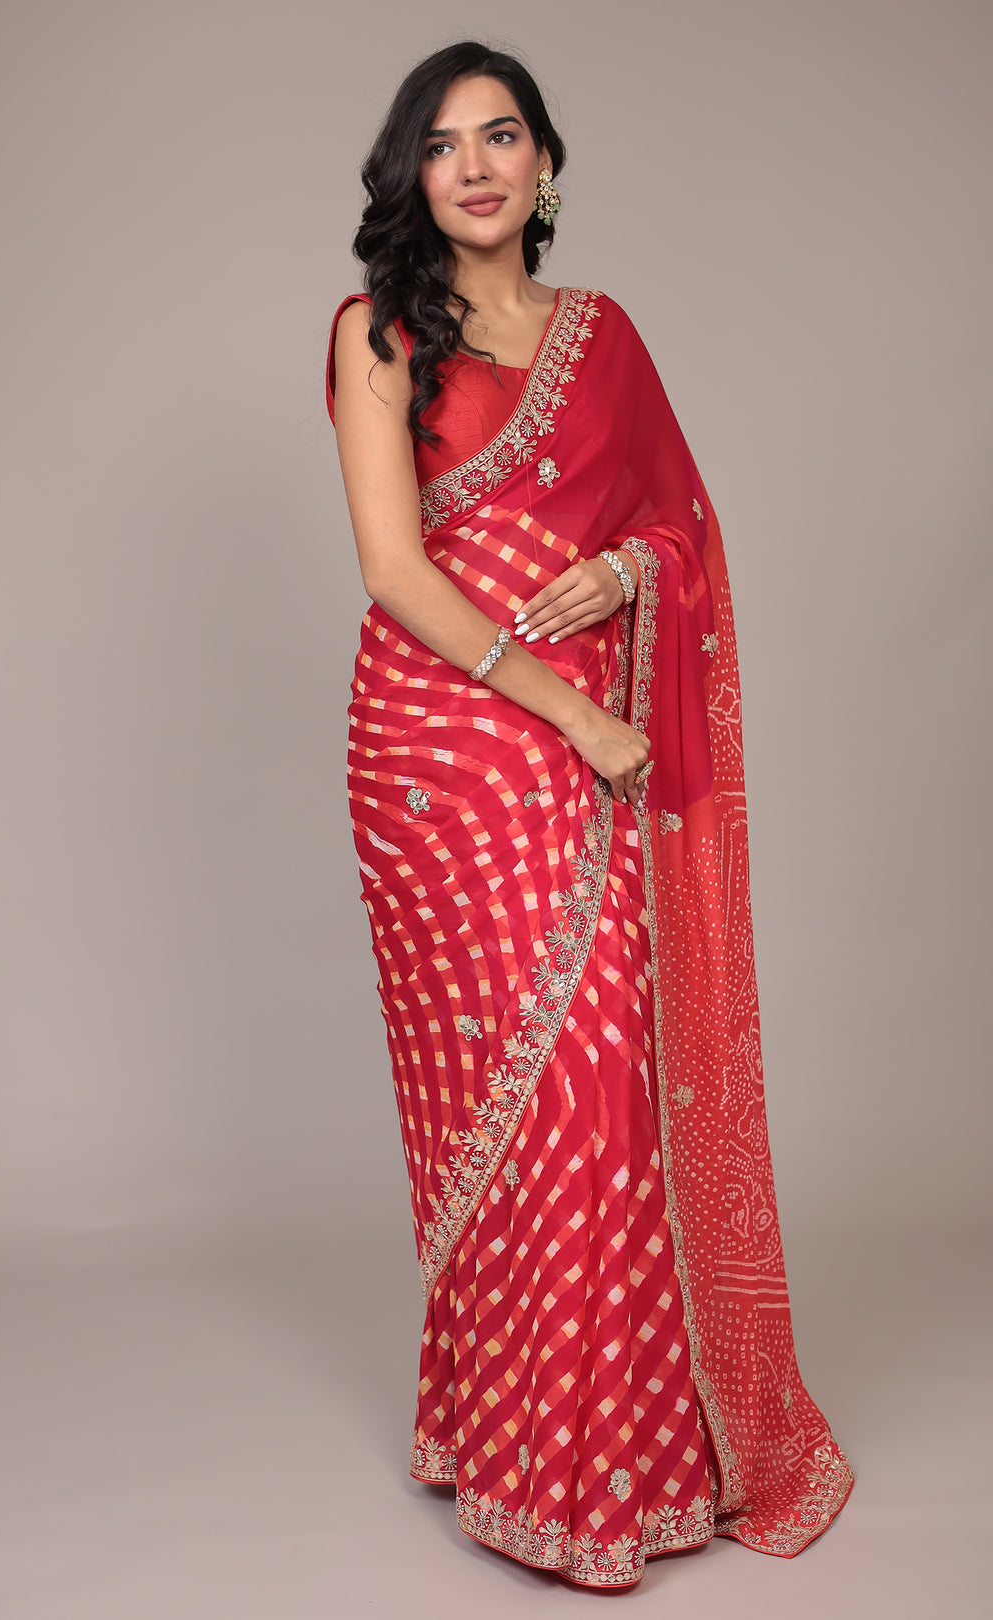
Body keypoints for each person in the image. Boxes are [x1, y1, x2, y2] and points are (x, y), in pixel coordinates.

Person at [325, 40, 853, 1590]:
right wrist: (573, 713)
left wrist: (630, 572)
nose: (475, 166)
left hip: (586, 737)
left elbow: (680, 525)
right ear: (412, 175)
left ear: (546, 163)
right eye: (442, 145)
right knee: (509, 1110)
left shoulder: (603, 335)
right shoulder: (377, 331)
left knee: (607, 1087)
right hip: (442, 752)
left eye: (502, 136)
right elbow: (393, 569)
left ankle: (608, 1463)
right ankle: (511, 1444)